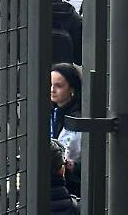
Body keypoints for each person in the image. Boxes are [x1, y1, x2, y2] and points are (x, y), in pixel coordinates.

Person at [50, 63, 83, 198]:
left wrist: (74, 166)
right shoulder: (51, 110)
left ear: (72, 89)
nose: (52, 89)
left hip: (71, 183)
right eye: (50, 84)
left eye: (58, 86)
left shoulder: (78, 119)